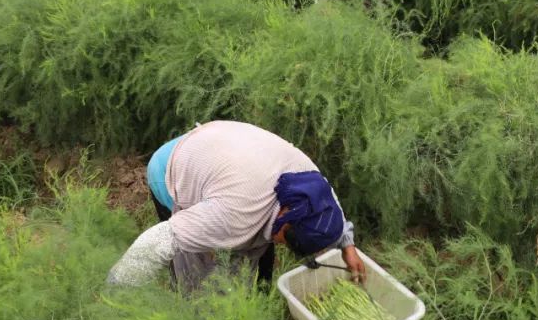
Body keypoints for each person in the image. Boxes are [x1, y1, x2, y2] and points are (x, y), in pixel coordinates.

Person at [107, 120, 365, 291]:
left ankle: (259, 293)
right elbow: (159, 241)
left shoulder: (310, 185)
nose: (283, 245)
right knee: (200, 277)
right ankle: (186, 304)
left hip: (223, 149)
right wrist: (114, 291)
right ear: (286, 214)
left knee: (258, 247)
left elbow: (331, 210)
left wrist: (347, 246)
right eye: (287, 239)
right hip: (172, 168)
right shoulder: (233, 215)